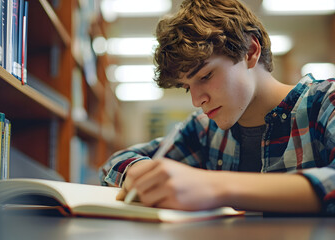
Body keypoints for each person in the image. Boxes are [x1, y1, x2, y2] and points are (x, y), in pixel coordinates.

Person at [100, 0, 335, 214]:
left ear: (250, 51)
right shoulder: (204, 129)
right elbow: (117, 161)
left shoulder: (325, 102)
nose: (196, 101)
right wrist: (140, 172)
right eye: (186, 87)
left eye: (205, 76)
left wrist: (214, 186)